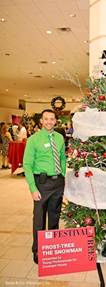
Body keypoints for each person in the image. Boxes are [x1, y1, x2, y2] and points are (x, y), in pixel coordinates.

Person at [23, 109, 66, 264]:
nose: (49, 121)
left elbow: (62, 158)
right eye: (46, 119)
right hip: (41, 183)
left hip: (58, 182)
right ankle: (38, 250)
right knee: (39, 219)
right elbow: (27, 165)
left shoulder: (60, 138)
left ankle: (52, 246)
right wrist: (33, 188)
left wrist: (63, 175)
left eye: (52, 119)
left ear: (56, 121)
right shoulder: (33, 139)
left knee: (54, 216)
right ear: (41, 121)